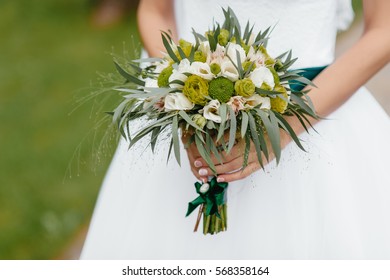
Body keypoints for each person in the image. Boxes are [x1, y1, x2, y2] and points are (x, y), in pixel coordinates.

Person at [81, 0, 390, 259]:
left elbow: (384, 30)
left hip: (315, 118)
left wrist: (283, 130)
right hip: (191, 128)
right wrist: (185, 102)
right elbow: (154, 12)